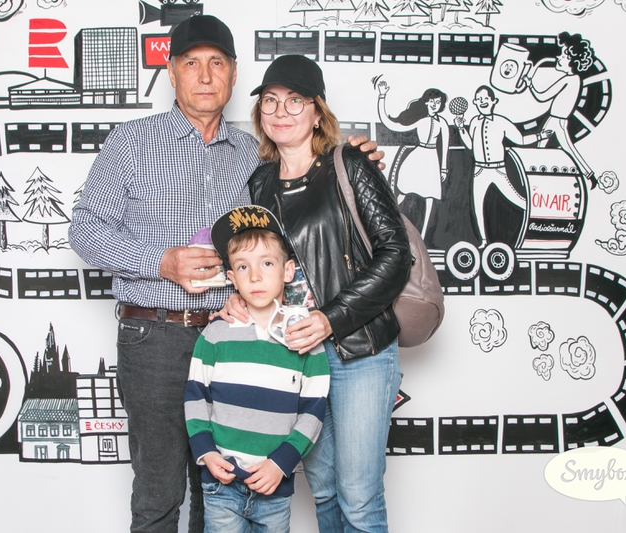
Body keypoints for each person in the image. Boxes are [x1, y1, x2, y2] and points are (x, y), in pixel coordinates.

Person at [68, 15, 384, 533]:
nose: (205, 75)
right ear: (171, 72)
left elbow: (302, 192)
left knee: (221, 490)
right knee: (158, 493)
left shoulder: (254, 154)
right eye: (191, 63)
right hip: (155, 335)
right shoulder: (131, 141)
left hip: (236, 337)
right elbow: (84, 231)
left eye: (217, 63)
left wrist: (351, 158)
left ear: (234, 75)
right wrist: (160, 261)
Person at [220, 55, 411, 533]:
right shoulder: (260, 183)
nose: (280, 111)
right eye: (270, 101)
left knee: (359, 499)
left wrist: (329, 319)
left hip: (358, 349)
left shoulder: (349, 164)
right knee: (323, 490)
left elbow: (395, 255)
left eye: (295, 101)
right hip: (297, 356)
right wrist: (240, 295)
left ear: (317, 112)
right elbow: (262, 265)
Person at [184, 205, 330, 533]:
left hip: (274, 488)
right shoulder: (215, 334)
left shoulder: (305, 336)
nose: (255, 276)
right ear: (231, 278)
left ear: (288, 270)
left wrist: (282, 462)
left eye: (267, 263)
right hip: (220, 486)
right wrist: (206, 453)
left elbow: (313, 410)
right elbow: (196, 397)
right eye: (243, 266)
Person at [455, 85, 551, 248]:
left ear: (494, 101)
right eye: (479, 99)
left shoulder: (501, 122)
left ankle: (539, 222)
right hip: (480, 171)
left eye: (486, 98)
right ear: (475, 102)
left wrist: (540, 136)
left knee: (518, 200)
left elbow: (520, 140)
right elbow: (470, 145)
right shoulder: (474, 122)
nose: (482, 101)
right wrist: (461, 128)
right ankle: (484, 241)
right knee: (478, 206)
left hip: (498, 170)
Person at [376, 83, 450, 241]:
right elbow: (391, 124)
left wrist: (443, 168)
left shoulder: (443, 123)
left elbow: (445, 146)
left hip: (432, 161)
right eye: (432, 101)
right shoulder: (420, 121)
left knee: (430, 198)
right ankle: (391, 228)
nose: (435, 104)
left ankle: (423, 236)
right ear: (426, 102)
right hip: (417, 158)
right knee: (402, 192)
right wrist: (382, 96)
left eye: (438, 102)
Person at [526, 31, 596, 187]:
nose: (558, 57)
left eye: (563, 55)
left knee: (546, 149)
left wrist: (530, 84)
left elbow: (542, 96)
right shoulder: (575, 79)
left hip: (557, 121)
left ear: (572, 60)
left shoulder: (569, 80)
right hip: (557, 120)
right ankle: (588, 175)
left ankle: (539, 179)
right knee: (555, 148)